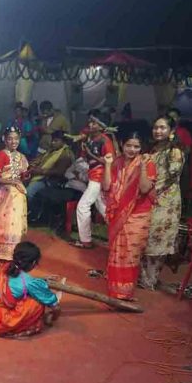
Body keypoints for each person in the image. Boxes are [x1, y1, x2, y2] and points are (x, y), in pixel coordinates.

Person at [103, 132, 156, 301]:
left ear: (141, 148)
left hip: (138, 214)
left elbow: (145, 189)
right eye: (129, 145)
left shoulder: (147, 163)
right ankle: (115, 290)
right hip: (119, 213)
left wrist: (142, 168)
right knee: (117, 253)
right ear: (122, 144)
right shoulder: (117, 162)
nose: (132, 150)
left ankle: (125, 292)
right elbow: (106, 186)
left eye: (136, 146)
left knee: (130, 254)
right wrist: (107, 165)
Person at [0, 241, 61, 338]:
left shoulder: (4, 267)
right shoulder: (29, 282)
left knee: (25, 293)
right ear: (33, 263)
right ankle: (16, 329)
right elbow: (55, 306)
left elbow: (17, 282)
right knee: (36, 303)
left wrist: (39, 281)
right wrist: (53, 316)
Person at [139, 116, 184, 291]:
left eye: (162, 128)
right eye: (155, 127)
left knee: (157, 239)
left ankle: (150, 279)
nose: (158, 131)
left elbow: (171, 177)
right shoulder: (155, 148)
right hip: (150, 197)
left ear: (171, 131)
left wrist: (150, 191)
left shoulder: (174, 151)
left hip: (165, 202)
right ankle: (144, 277)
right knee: (146, 236)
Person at [71, 110, 115, 249]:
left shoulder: (105, 141)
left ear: (101, 126)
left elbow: (110, 162)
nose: (90, 124)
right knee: (103, 209)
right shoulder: (91, 137)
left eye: (94, 123)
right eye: (90, 121)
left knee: (83, 206)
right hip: (93, 175)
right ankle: (120, 235)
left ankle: (85, 240)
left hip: (99, 177)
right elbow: (83, 133)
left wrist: (90, 154)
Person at [0, 127, 29, 261]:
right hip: (5, 190)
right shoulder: (1, 155)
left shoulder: (21, 157)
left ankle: (12, 250)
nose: (14, 142)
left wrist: (25, 176)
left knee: (15, 221)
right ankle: (2, 250)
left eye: (16, 139)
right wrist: (11, 182)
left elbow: (22, 176)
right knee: (7, 220)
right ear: (4, 140)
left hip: (17, 190)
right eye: (10, 139)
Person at [25, 131, 75, 212]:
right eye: (52, 140)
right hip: (40, 176)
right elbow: (39, 159)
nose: (52, 142)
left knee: (28, 192)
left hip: (50, 181)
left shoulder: (65, 154)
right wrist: (32, 165)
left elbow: (59, 172)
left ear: (63, 142)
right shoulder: (51, 150)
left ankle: (33, 213)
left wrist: (41, 171)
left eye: (56, 141)